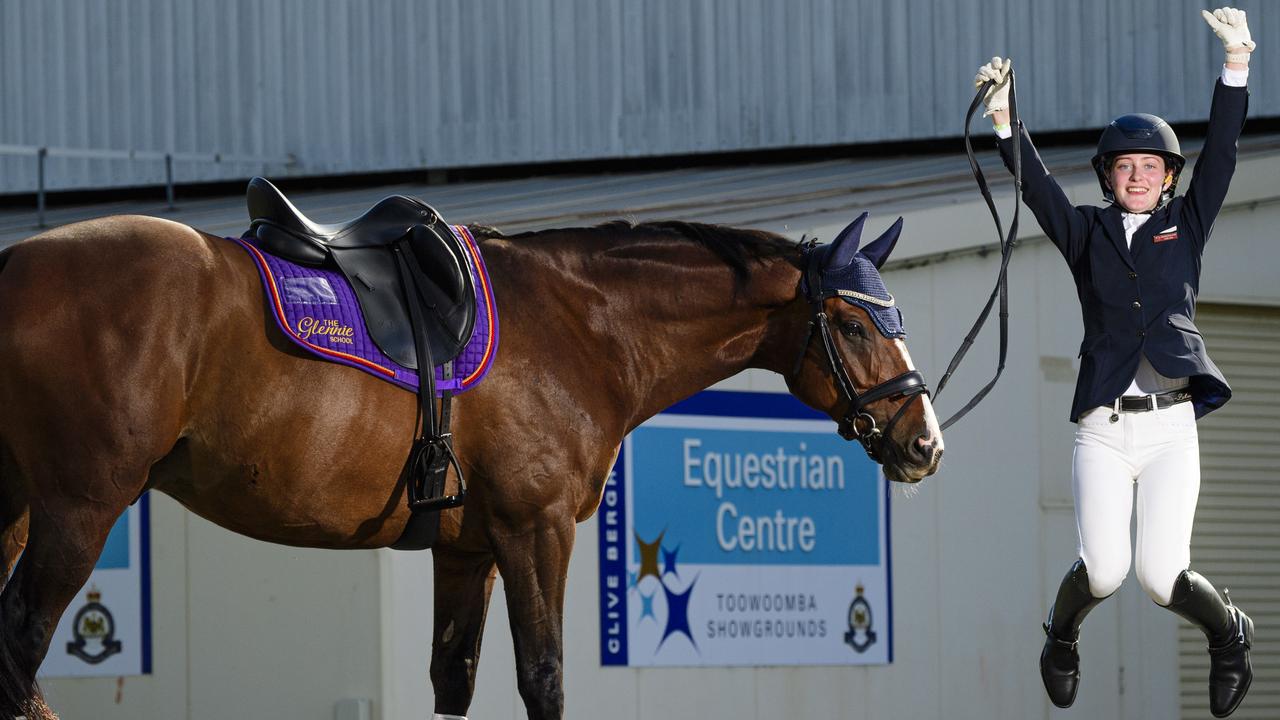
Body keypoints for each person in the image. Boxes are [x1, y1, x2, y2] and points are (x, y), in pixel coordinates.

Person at [974, 7, 1256, 718]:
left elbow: (1221, 153)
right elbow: (1035, 188)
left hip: (1170, 429)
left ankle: (1229, 636)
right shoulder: (1087, 233)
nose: (1137, 176)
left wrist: (1236, 67)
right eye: (1125, 166)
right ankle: (1060, 637)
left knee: (1162, 577)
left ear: (1167, 178)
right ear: (1109, 175)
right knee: (1104, 570)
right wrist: (1006, 118)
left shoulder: (1186, 225)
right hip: (1103, 428)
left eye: (1150, 167)